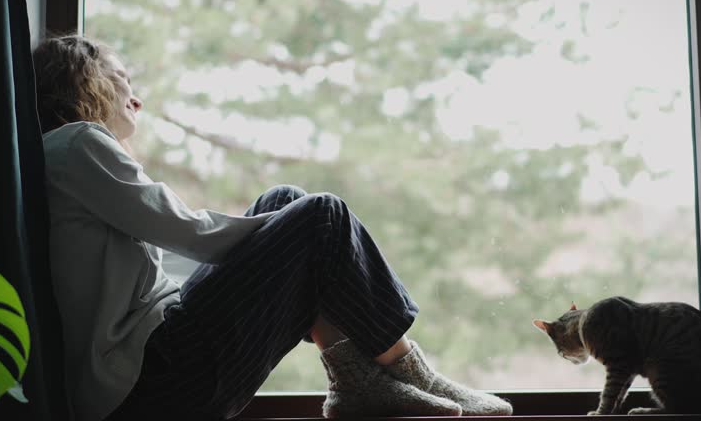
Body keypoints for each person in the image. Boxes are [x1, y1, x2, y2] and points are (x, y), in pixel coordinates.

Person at [33, 35, 513, 421]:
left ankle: (355, 384)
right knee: (322, 214)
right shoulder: (79, 144)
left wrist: (286, 230)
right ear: (86, 81)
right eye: (120, 79)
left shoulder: (63, 158)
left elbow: (177, 257)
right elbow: (188, 233)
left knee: (285, 200)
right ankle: (412, 373)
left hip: (150, 379)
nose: (134, 98)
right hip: (150, 381)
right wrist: (299, 233)